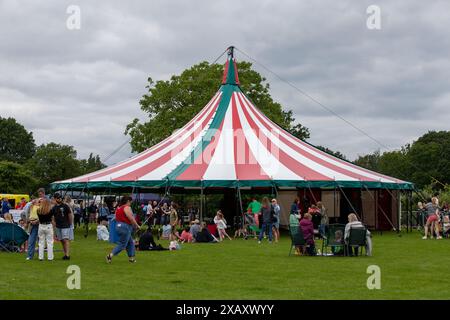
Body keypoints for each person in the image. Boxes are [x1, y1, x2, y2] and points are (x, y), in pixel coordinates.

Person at [106, 196, 140, 263]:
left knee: (130, 243)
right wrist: (137, 225)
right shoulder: (127, 207)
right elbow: (131, 218)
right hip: (125, 227)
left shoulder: (119, 208)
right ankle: (110, 255)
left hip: (118, 227)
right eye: (130, 202)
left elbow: (115, 218)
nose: (131, 203)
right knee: (122, 244)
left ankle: (131, 258)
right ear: (128, 201)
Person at [51, 193, 74, 260]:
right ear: (55, 199)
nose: (59, 199)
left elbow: (70, 214)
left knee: (65, 239)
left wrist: (70, 223)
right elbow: (52, 217)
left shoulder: (65, 206)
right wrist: (53, 223)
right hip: (58, 226)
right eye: (58, 198)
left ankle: (67, 255)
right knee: (61, 240)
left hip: (65, 225)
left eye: (60, 198)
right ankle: (65, 254)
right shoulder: (54, 208)